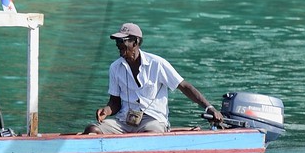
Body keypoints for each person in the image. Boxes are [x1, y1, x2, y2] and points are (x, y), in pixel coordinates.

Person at [82, 22, 221, 134]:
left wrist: (209, 108)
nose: (118, 44)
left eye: (122, 41)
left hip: (153, 121)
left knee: (149, 134)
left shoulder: (157, 63)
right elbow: (115, 102)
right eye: (117, 41)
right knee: (92, 130)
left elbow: (184, 86)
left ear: (135, 42)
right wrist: (106, 110)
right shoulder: (115, 67)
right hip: (125, 121)